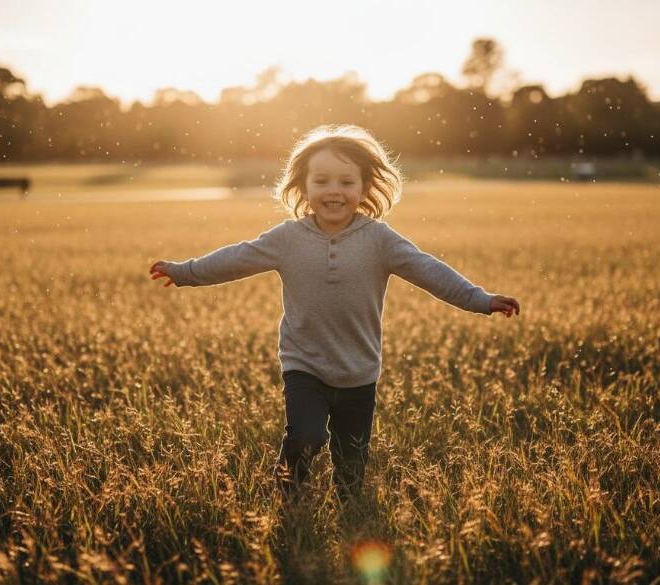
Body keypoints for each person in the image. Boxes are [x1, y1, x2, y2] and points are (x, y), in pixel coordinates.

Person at [149, 124, 520, 505]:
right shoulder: (287, 238)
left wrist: (480, 298)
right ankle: (286, 499)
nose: (334, 191)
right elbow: (236, 258)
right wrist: (185, 273)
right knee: (306, 436)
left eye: (346, 182)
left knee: (351, 463)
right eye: (322, 180)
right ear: (304, 188)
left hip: (359, 370)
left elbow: (429, 271)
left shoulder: (380, 239)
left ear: (363, 189)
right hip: (304, 365)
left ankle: (351, 516)